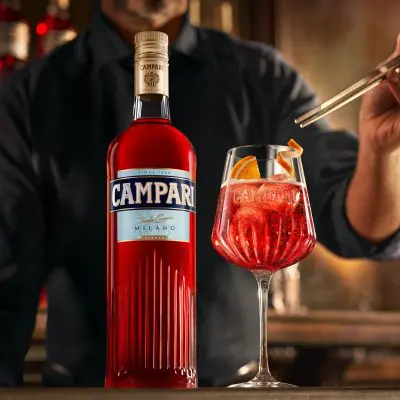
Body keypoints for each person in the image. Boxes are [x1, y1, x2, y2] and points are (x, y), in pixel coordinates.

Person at [0, 0, 399, 387]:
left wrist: (379, 149)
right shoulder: (29, 94)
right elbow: (6, 281)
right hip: (87, 393)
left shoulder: (262, 76)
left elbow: (353, 223)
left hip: (232, 389)